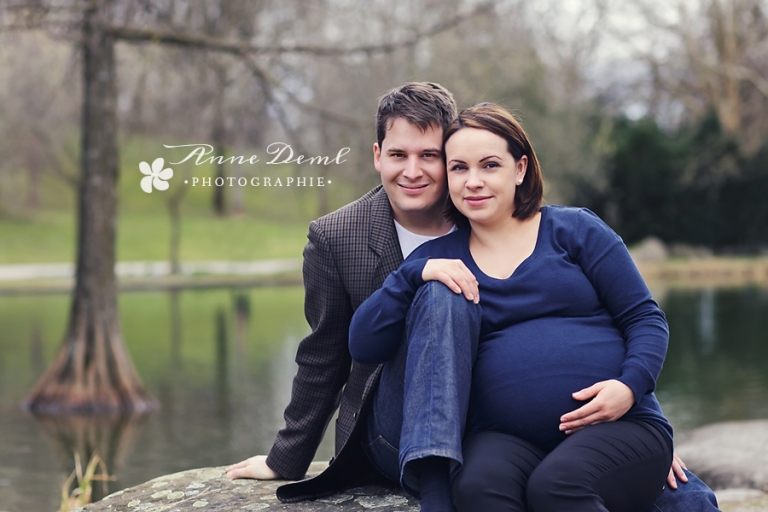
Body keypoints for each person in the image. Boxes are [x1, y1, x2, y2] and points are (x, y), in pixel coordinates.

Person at [225, 84, 719, 512]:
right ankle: (437, 485)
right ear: (377, 156)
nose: (416, 171)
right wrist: (285, 458)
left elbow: (633, 319)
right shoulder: (353, 238)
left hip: (563, 425)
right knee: (444, 300)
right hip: (431, 429)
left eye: (432, 157)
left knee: (682, 498)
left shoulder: (553, 225)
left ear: (516, 168)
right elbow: (331, 351)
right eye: (399, 155)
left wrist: (636, 406)